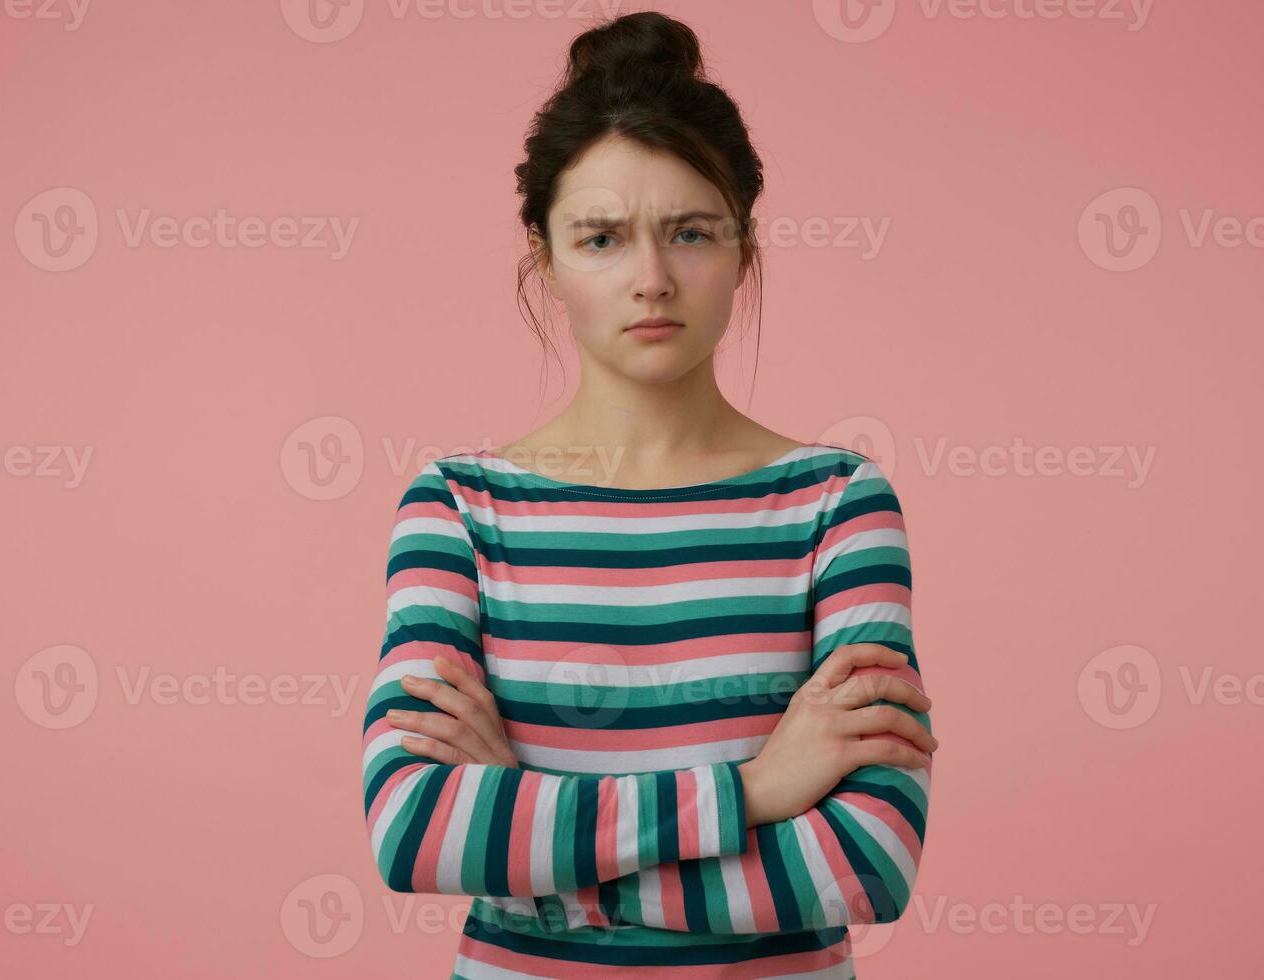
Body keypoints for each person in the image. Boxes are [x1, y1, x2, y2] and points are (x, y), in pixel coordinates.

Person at [361, 11, 936, 977]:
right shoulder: (458, 506)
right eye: (601, 238)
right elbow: (415, 834)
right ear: (544, 259)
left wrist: (531, 844)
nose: (652, 279)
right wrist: (754, 790)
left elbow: (864, 865)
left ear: (744, 246)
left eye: (691, 232)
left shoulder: (838, 504)